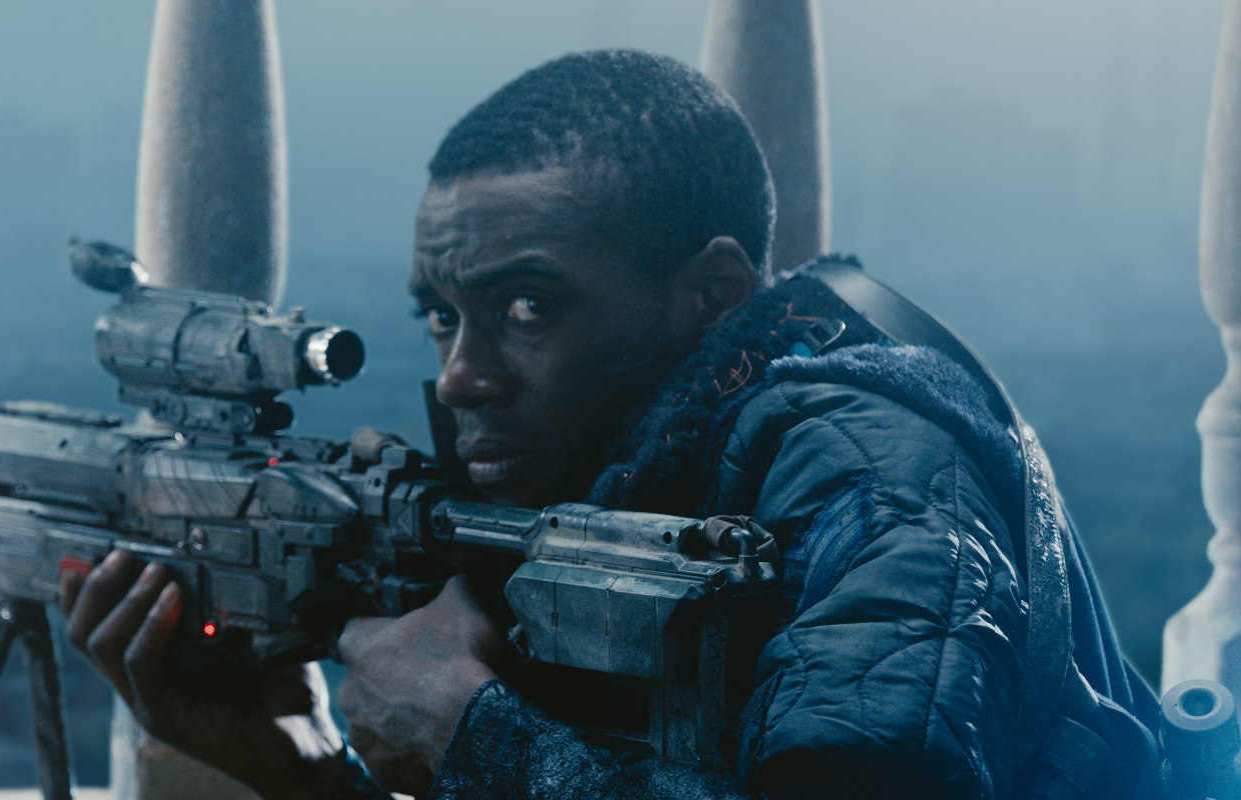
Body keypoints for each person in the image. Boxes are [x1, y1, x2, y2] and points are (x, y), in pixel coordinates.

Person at [58, 50, 1162, 799]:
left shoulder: (873, 479)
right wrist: (307, 771)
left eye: (528, 308)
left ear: (712, 293)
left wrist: (475, 736)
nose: (460, 378)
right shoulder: (648, 475)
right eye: (442, 316)